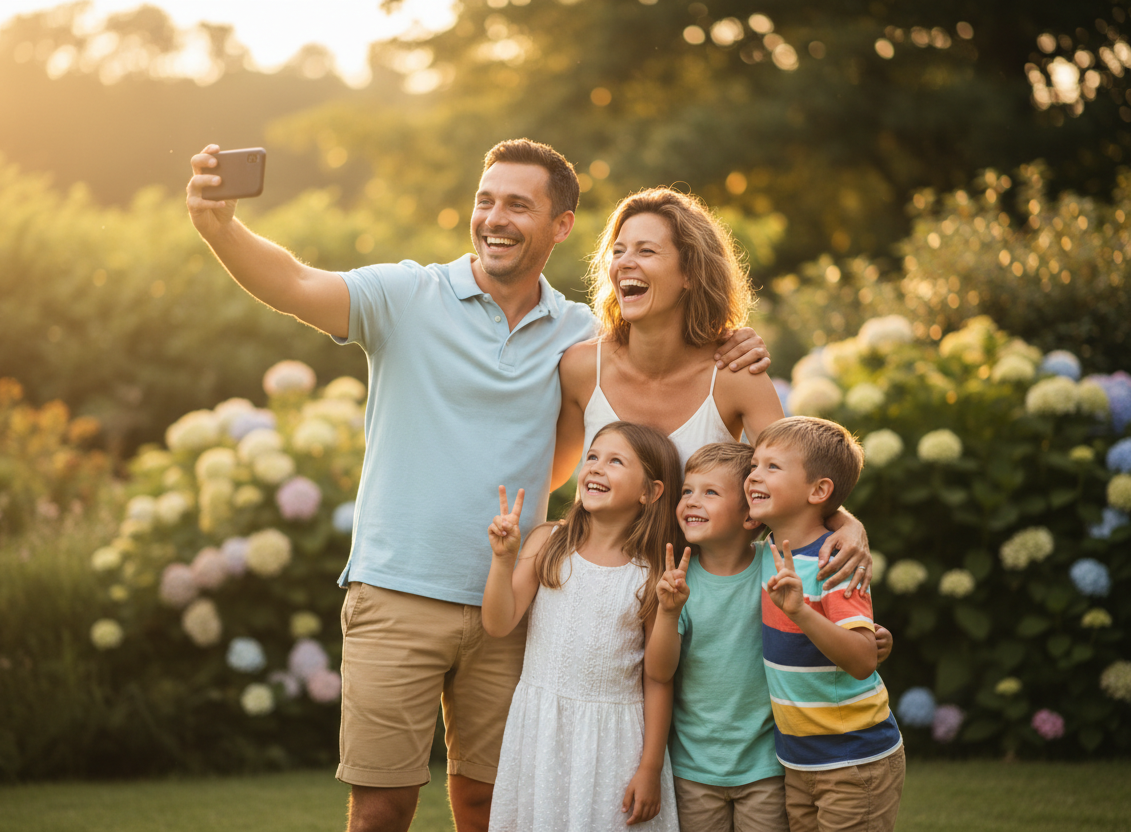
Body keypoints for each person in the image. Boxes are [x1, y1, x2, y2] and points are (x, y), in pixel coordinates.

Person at [186, 138, 767, 832]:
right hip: (399, 589)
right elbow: (293, 281)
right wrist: (220, 226)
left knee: (494, 807)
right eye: (485, 201)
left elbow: (599, 442)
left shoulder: (581, 336)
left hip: (518, 605)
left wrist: (735, 341)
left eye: (519, 204)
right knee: (380, 809)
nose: (495, 217)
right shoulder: (406, 295)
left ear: (561, 225)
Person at [556, 189, 874, 597]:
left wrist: (847, 523)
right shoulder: (582, 368)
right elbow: (547, 475)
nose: (625, 263)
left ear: (689, 272)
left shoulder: (735, 375)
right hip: (594, 591)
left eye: (647, 251)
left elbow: (794, 473)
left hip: (703, 606)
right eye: (618, 251)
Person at [645, 443, 894, 832]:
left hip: (768, 765)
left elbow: (808, 534)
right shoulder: (678, 579)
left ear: (750, 515)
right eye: (687, 491)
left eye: (710, 492)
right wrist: (668, 611)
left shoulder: (777, 564)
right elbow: (659, 670)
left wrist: (850, 526)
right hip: (694, 766)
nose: (692, 501)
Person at [482, 421, 684, 831]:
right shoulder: (547, 542)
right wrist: (503, 561)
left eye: (615, 461)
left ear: (650, 492)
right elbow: (498, 623)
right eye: (592, 456)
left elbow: (659, 677)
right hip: (541, 729)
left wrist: (650, 767)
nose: (595, 467)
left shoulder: (651, 573)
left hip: (614, 741)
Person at [750, 417, 905, 832]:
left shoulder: (835, 561)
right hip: (799, 759)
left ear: (818, 491)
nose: (753, 477)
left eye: (771, 467)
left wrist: (800, 612)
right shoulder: (765, 549)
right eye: (753, 465)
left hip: (853, 760)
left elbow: (861, 660)